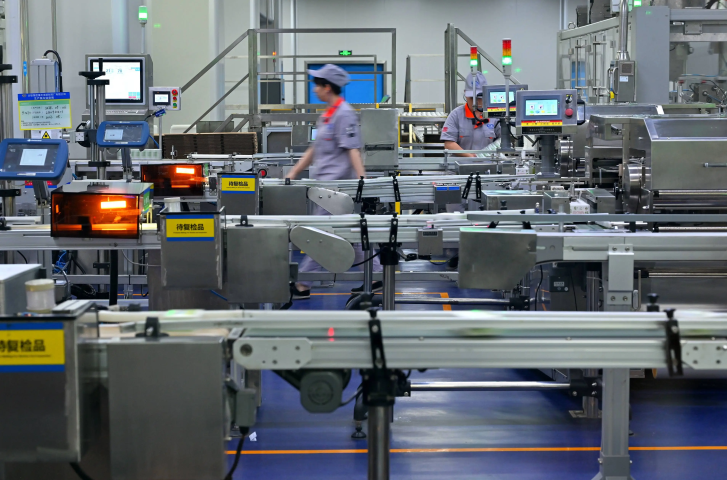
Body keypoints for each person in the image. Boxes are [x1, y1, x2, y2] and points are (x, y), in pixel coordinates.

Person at [286, 64, 382, 300]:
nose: (314, 89)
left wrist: (362, 181)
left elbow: (352, 150)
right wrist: (293, 172)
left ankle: (303, 284)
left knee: (321, 235)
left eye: (317, 85)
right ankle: (377, 276)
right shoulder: (328, 115)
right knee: (348, 233)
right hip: (324, 188)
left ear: (327, 87)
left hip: (336, 189)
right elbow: (314, 148)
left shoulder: (344, 114)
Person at [440, 71, 501, 157]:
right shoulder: (456, 115)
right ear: (465, 93)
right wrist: (471, 157)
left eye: (479, 97)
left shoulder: (494, 115)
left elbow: (504, 140)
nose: (475, 101)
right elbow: (449, 143)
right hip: (460, 163)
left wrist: (485, 156)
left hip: (488, 163)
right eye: (472, 98)